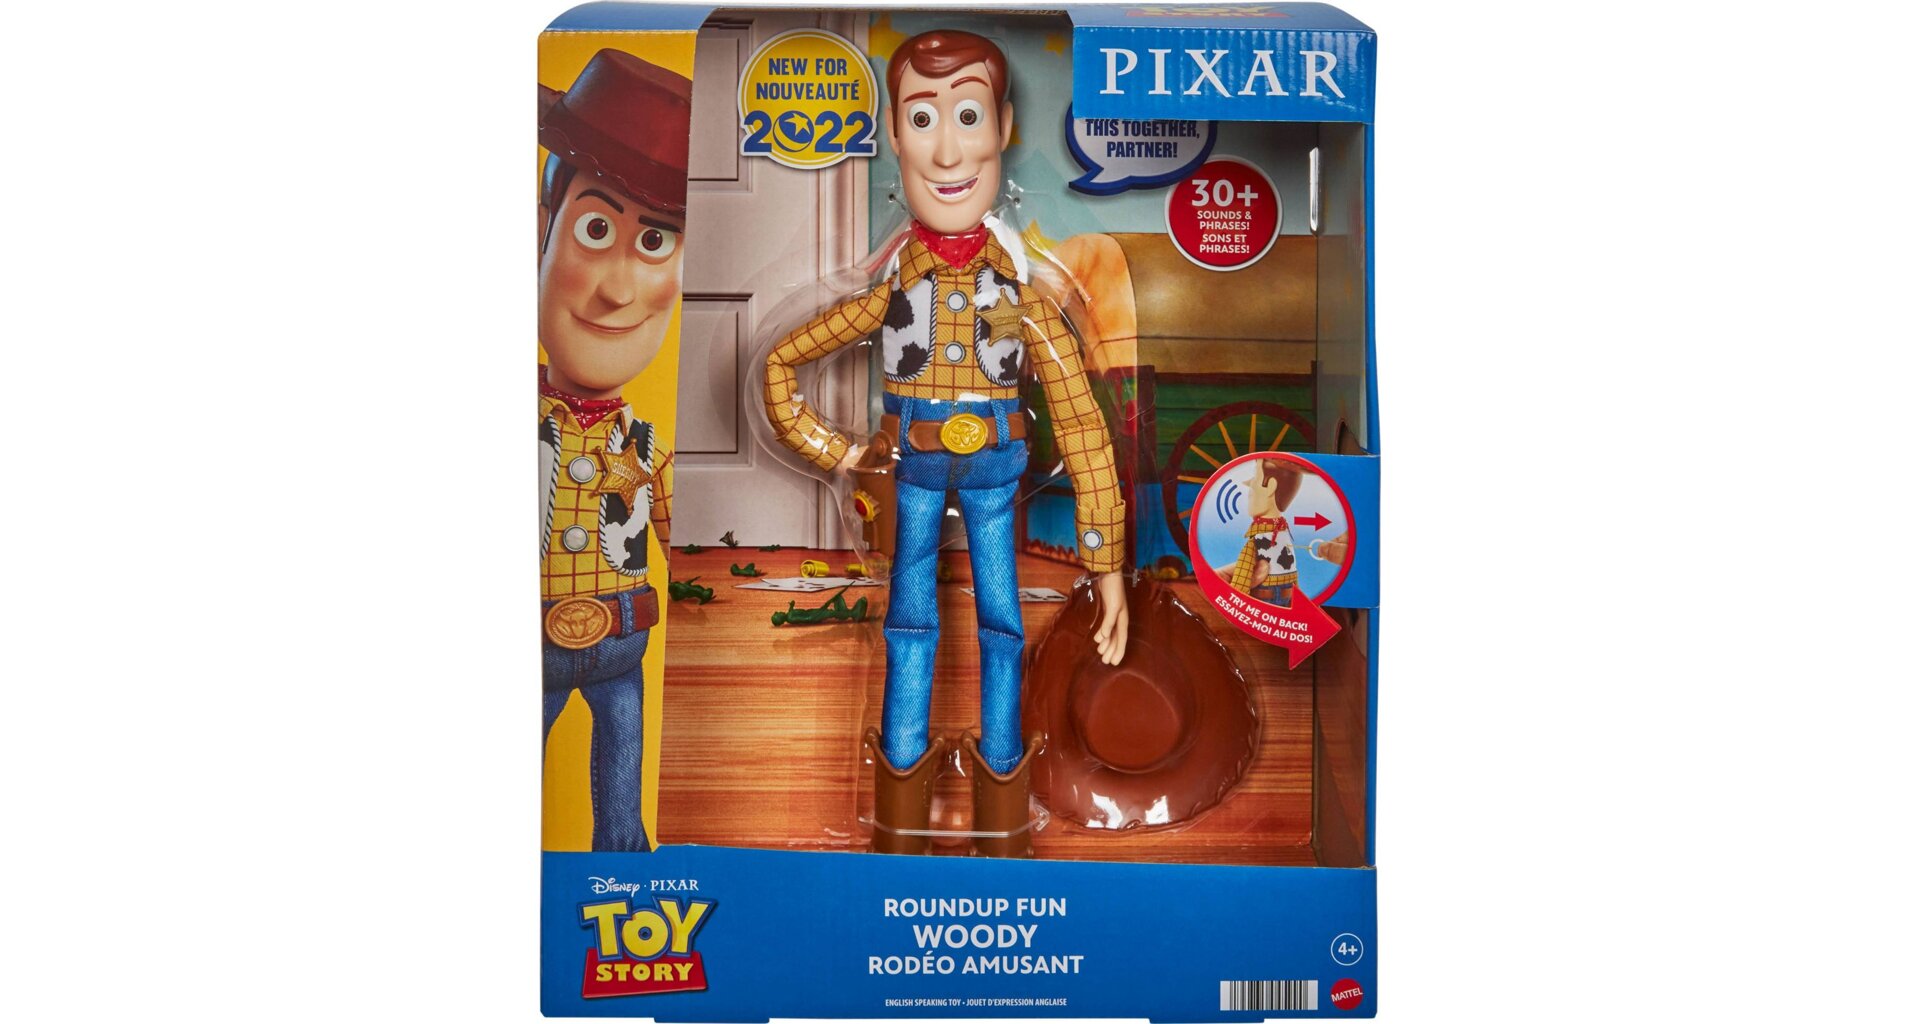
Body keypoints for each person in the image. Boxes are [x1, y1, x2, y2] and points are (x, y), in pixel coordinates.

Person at [762, 30, 1129, 857]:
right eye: (923, 119)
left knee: (1004, 627)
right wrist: (839, 451)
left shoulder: (1025, 299)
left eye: (968, 115)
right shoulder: (891, 293)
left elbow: (1082, 422)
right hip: (915, 475)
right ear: (894, 135)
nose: (948, 150)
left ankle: (1002, 819)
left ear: (1003, 127)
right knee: (908, 626)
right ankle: (899, 821)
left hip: (997, 473)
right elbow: (781, 363)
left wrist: (1105, 560)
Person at [537, 48, 690, 852]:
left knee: (624, 815)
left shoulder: (646, 447)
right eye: (596, 230)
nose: (619, 290)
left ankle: (623, 884)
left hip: (621, 644)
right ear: (541, 231)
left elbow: (686, 552)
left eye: (656, 241)